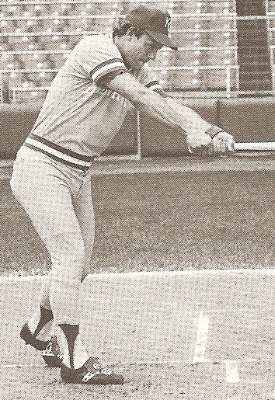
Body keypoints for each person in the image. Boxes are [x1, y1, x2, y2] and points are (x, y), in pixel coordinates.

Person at [10, 4, 235, 385]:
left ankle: (36, 329)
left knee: (78, 268)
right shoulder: (96, 49)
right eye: (151, 43)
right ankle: (74, 361)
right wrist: (187, 132)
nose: (155, 52)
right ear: (127, 33)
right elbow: (143, 100)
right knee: (68, 257)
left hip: (78, 171)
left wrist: (210, 130)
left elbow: (166, 104)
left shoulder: (138, 68)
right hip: (42, 165)